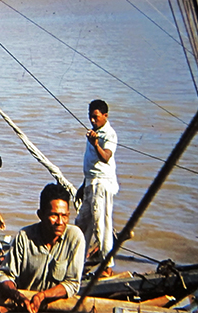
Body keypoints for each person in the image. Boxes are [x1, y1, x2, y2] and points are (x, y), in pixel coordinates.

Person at [0, 183, 85, 313]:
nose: (60, 222)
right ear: (40, 215)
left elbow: (72, 283)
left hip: (56, 309)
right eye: (54, 215)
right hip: (25, 308)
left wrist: (42, 296)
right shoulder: (25, 237)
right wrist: (18, 297)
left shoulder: (75, 237)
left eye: (64, 216)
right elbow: (4, 275)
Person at [75, 99, 118, 277]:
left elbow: (106, 157)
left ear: (105, 116)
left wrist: (96, 144)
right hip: (90, 182)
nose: (92, 120)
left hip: (102, 184)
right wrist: (82, 185)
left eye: (96, 117)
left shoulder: (109, 134)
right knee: (81, 223)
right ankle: (79, 259)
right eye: (90, 117)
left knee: (102, 226)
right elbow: (91, 165)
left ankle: (107, 266)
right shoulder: (94, 132)